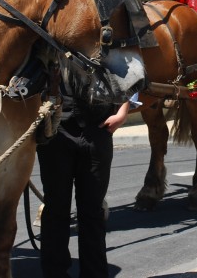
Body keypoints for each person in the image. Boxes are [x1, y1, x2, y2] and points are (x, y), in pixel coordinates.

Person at [37, 92, 130, 278]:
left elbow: (130, 73)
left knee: (92, 211)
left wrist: (123, 112)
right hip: (56, 131)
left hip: (98, 129)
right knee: (55, 209)